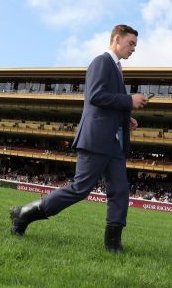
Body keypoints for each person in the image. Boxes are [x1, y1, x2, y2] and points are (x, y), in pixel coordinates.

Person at [10, 24, 149, 252]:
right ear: (117, 39)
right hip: (95, 139)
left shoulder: (116, 68)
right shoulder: (102, 61)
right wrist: (129, 100)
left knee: (120, 189)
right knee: (80, 189)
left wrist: (126, 119)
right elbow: (95, 95)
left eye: (135, 45)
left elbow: (108, 103)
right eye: (131, 43)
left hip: (112, 143)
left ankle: (113, 243)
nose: (133, 48)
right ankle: (24, 214)